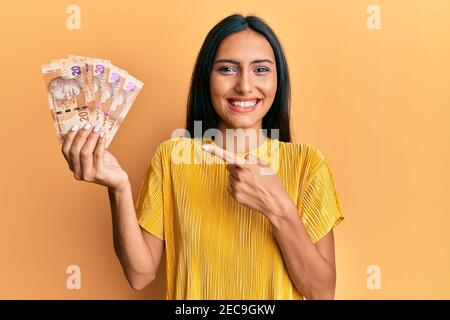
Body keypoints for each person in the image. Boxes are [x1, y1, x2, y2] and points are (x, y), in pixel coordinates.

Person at [60, 14, 345, 300]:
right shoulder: (172, 157)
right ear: (206, 79)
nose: (244, 86)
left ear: (278, 80)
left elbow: (321, 292)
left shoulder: (307, 164)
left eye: (260, 70)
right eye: (227, 69)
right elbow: (140, 274)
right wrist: (118, 187)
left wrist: (278, 206)